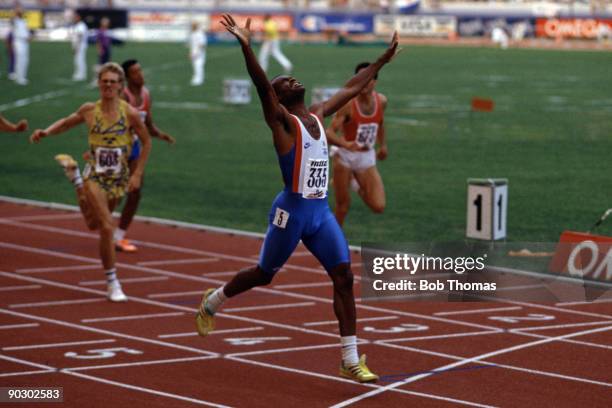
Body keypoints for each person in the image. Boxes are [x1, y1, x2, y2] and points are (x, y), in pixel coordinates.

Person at [196, 14, 398, 383]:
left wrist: (381, 61)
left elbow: (352, 88)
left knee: (344, 277)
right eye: (285, 82)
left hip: (319, 214)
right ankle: (214, 300)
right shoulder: (282, 122)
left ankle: (350, 358)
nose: (294, 79)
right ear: (281, 97)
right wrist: (246, 45)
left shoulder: (319, 115)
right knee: (264, 274)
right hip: (291, 211)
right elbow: (261, 87)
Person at [29, 62, 152, 302]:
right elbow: (65, 122)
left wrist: (137, 174)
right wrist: (46, 132)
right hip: (95, 175)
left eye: (112, 82)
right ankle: (112, 282)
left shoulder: (129, 113)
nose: (107, 85)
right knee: (107, 227)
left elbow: (146, 142)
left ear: (120, 86)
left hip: (118, 178)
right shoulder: (89, 110)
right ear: (98, 83)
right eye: (104, 81)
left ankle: (74, 178)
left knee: (92, 224)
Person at [113, 58, 176, 252]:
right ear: (127, 77)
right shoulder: (122, 96)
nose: (140, 75)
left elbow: (147, 123)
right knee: (112, 195)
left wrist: (159, 134)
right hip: (116, 149)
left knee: (135, 192)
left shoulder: (146, 95)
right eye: (135, 72)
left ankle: (118, 236)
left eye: (140, 70)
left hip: (134, 149)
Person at [326, 62, 388, 227]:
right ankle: (333, 243)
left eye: (368, 79)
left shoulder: (381, 101)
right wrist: (344, 144)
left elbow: (380, 123)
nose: (364, 83)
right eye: (360, 79)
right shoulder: (348, 104)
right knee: (342, 207)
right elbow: (328, 132)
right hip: (344, 157)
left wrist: (383, 146)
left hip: (366, 156)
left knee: (378, 206)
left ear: (374, 81)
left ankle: (353, 181)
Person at [12, 7, 31, 86]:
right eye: (20, 11)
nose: (22, 12)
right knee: (21, 60)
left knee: (23, 60)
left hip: (24, 42)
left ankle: (19, 75)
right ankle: (20, 78)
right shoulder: (15, 21)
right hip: (19, 42)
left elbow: (26, 31)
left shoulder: (23, 21)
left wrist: (29, 36)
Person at [71, 12, 88, 81]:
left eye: (76, 17)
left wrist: (77, 46)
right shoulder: (78, 25)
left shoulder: (81, 25)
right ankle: (78, 73)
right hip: (78, 45)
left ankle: (81, 75)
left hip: (80, 45)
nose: (74, 18)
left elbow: (80, 36)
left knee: (80, 60)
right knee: (77, 60)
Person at [189, 22, 207, 86]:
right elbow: (193, 45)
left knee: (199, 66)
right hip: (194, 52)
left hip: (199, 53)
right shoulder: (193, 34)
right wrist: (191, 53)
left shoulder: (200, 34)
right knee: (195, 66)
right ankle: (196, 78)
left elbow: (202, 44)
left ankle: (200, 80)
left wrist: (198, 52)